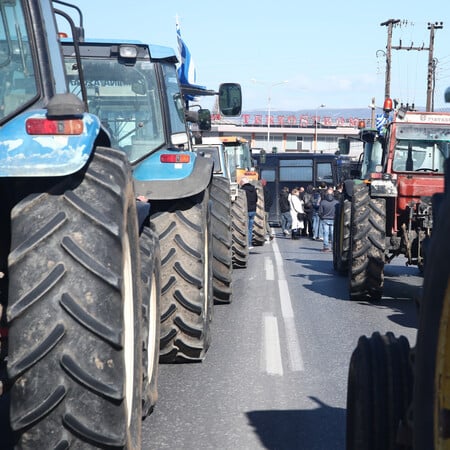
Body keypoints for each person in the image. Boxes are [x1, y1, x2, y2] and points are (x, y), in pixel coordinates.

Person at [318, 187, 339, 252]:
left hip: (325, 219)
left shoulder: (323, 202)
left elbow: (320, 211)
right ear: (333, 194)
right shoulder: (336, 202)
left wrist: (321, 217)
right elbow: (338, 212)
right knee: (333, 234)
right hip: (333, 219)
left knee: (325, 233)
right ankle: (333, 247)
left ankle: (326, 247)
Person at [240, 176, 258, 249]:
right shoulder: (254, 189)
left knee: (245, 228)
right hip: (253, 210)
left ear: (243, 182)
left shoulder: (242, 190)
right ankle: (250, 244)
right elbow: (256, 199)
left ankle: (245, 243)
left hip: (246, 211)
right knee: (250, 228)